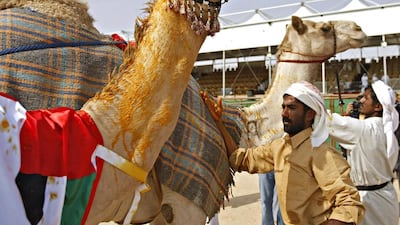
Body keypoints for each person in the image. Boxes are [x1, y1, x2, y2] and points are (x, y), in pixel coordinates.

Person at [201, 81, 365, 225]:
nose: (284, 113)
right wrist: (219, 122)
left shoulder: (322, 154)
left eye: (292, 108)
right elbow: (242, 159)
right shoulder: (279, 147)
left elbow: (349, 202)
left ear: (310, 114)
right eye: (284, 107)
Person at [328, 80, 399, 225]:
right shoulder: (387, 131)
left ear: (378, 107)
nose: (360, 101)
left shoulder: (364, 129)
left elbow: (328, 121)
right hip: (387, 199)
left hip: (368, 201)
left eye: (365, 98)